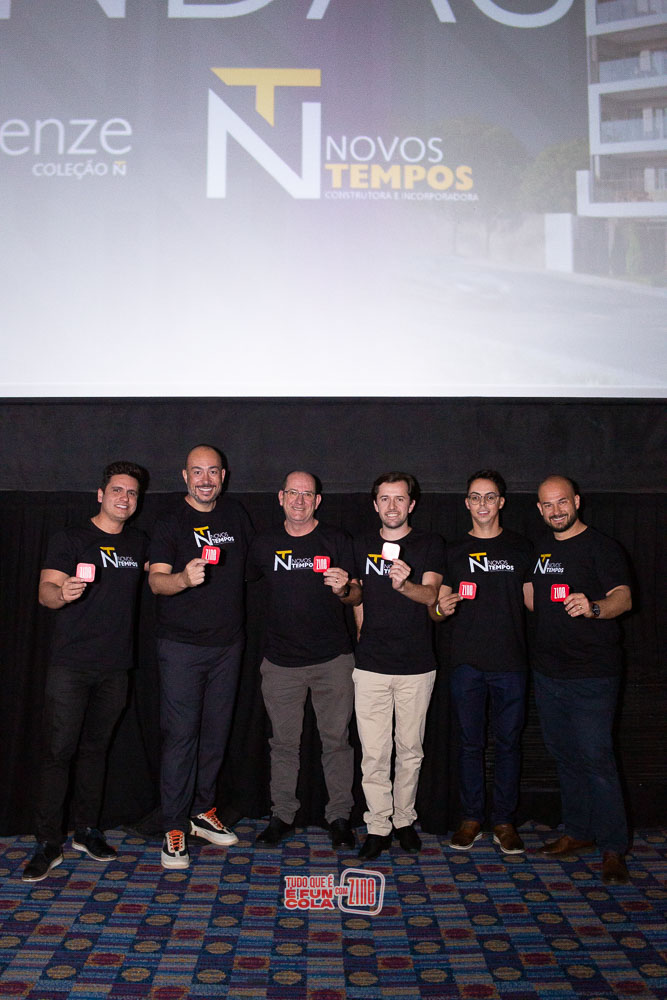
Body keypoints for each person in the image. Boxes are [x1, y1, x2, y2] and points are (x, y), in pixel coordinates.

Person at [23, 461, 147, 882]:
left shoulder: (138, 543)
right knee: (58, 753)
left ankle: (87, 830)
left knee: (96, 751)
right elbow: (45, 593)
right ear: (100, 494)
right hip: (71, 667)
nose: (124, 498)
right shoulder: (71, 538)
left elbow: (162, 575)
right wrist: (63, 592)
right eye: (117, 490)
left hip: (115, 667)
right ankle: (47, 841)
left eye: (131, 493)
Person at [149, 445, 253, 869]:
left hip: (228, 646)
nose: (205, 479)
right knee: (181, 736)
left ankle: (202, 810)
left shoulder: (235, 516)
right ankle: (174, 825)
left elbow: (252, 569)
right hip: (181, 648)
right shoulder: (169, 521)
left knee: (215, 734)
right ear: (185, 476)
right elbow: (156, 581)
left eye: (212, 472)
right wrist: (182, 579)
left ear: (223, 476)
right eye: (197, 472)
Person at [247, 471, 361, 849]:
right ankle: (282, 815)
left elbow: (357, 595)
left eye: (307, 494)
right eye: (293, 493)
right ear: (281, 497)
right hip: (281, 663)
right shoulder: (264, 543)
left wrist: (344, 589)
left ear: (318, 500)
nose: (299, 500)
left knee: (337, 742)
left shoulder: (337, 539)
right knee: (283, 744)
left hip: (333, 660)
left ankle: (340, 817)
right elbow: (239, 585)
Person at [529, 475, 632, 885]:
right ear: (540, 509)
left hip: (592, 675)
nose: (556, 511)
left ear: (576, 501)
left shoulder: (602, 547)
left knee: (597, 760)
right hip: (548, 672)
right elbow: (531, 600)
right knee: (565, 757)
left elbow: (623, 598)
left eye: (562, 502)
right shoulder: (539, 550)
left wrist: (593, 607)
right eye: (548, 505)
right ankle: (578, 832)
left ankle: (613, 847)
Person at [430, 470, 532, 855]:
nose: (483, 504)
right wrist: (440, 608)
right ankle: (471, 817)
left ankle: (504, 821)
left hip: (511, 662)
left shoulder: (521, 547)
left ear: (501, 502)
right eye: (476, 497)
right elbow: (437, 609)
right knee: (470, 744)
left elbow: (533, 603)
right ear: (467, 503)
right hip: (466, 664)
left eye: (490, 497)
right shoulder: (453, 549)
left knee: (508, 744)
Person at [352, 472, 445, 860]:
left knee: (410, 751)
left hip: (416, 665)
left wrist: (405, 585)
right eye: (385, 499)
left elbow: (432, 595)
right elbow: (356, 595)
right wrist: (361, 629)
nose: (392, 506)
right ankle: (378, 825)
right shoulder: (360, 544)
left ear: (412, 504)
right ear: (375, 504)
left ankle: (404, 821)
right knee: (374, 754)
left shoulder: (429, 543)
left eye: (400, 499)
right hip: (371, 664)